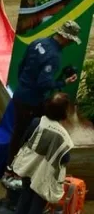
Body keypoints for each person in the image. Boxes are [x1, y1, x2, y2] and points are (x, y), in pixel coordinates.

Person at [8, 22, 81, 171]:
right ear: (65, 38)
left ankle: (13, 166)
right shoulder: (54, 56)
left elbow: (21, 66)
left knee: (18, 132)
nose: (70, 44)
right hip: (31, 102)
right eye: (71, 41)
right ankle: (13, 168)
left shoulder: (38, 41)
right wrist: (63, 82)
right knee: (24, 136)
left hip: (20, 94)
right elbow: (44, 83)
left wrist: (25, 84)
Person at [9, 93, 73, 214]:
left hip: (29, 168)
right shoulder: (63, 136)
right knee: (36, 207)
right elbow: (65, 158)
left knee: (24, 199)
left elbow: (25, 139)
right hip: (44, 176)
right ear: (64, 113)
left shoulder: (37, 122)